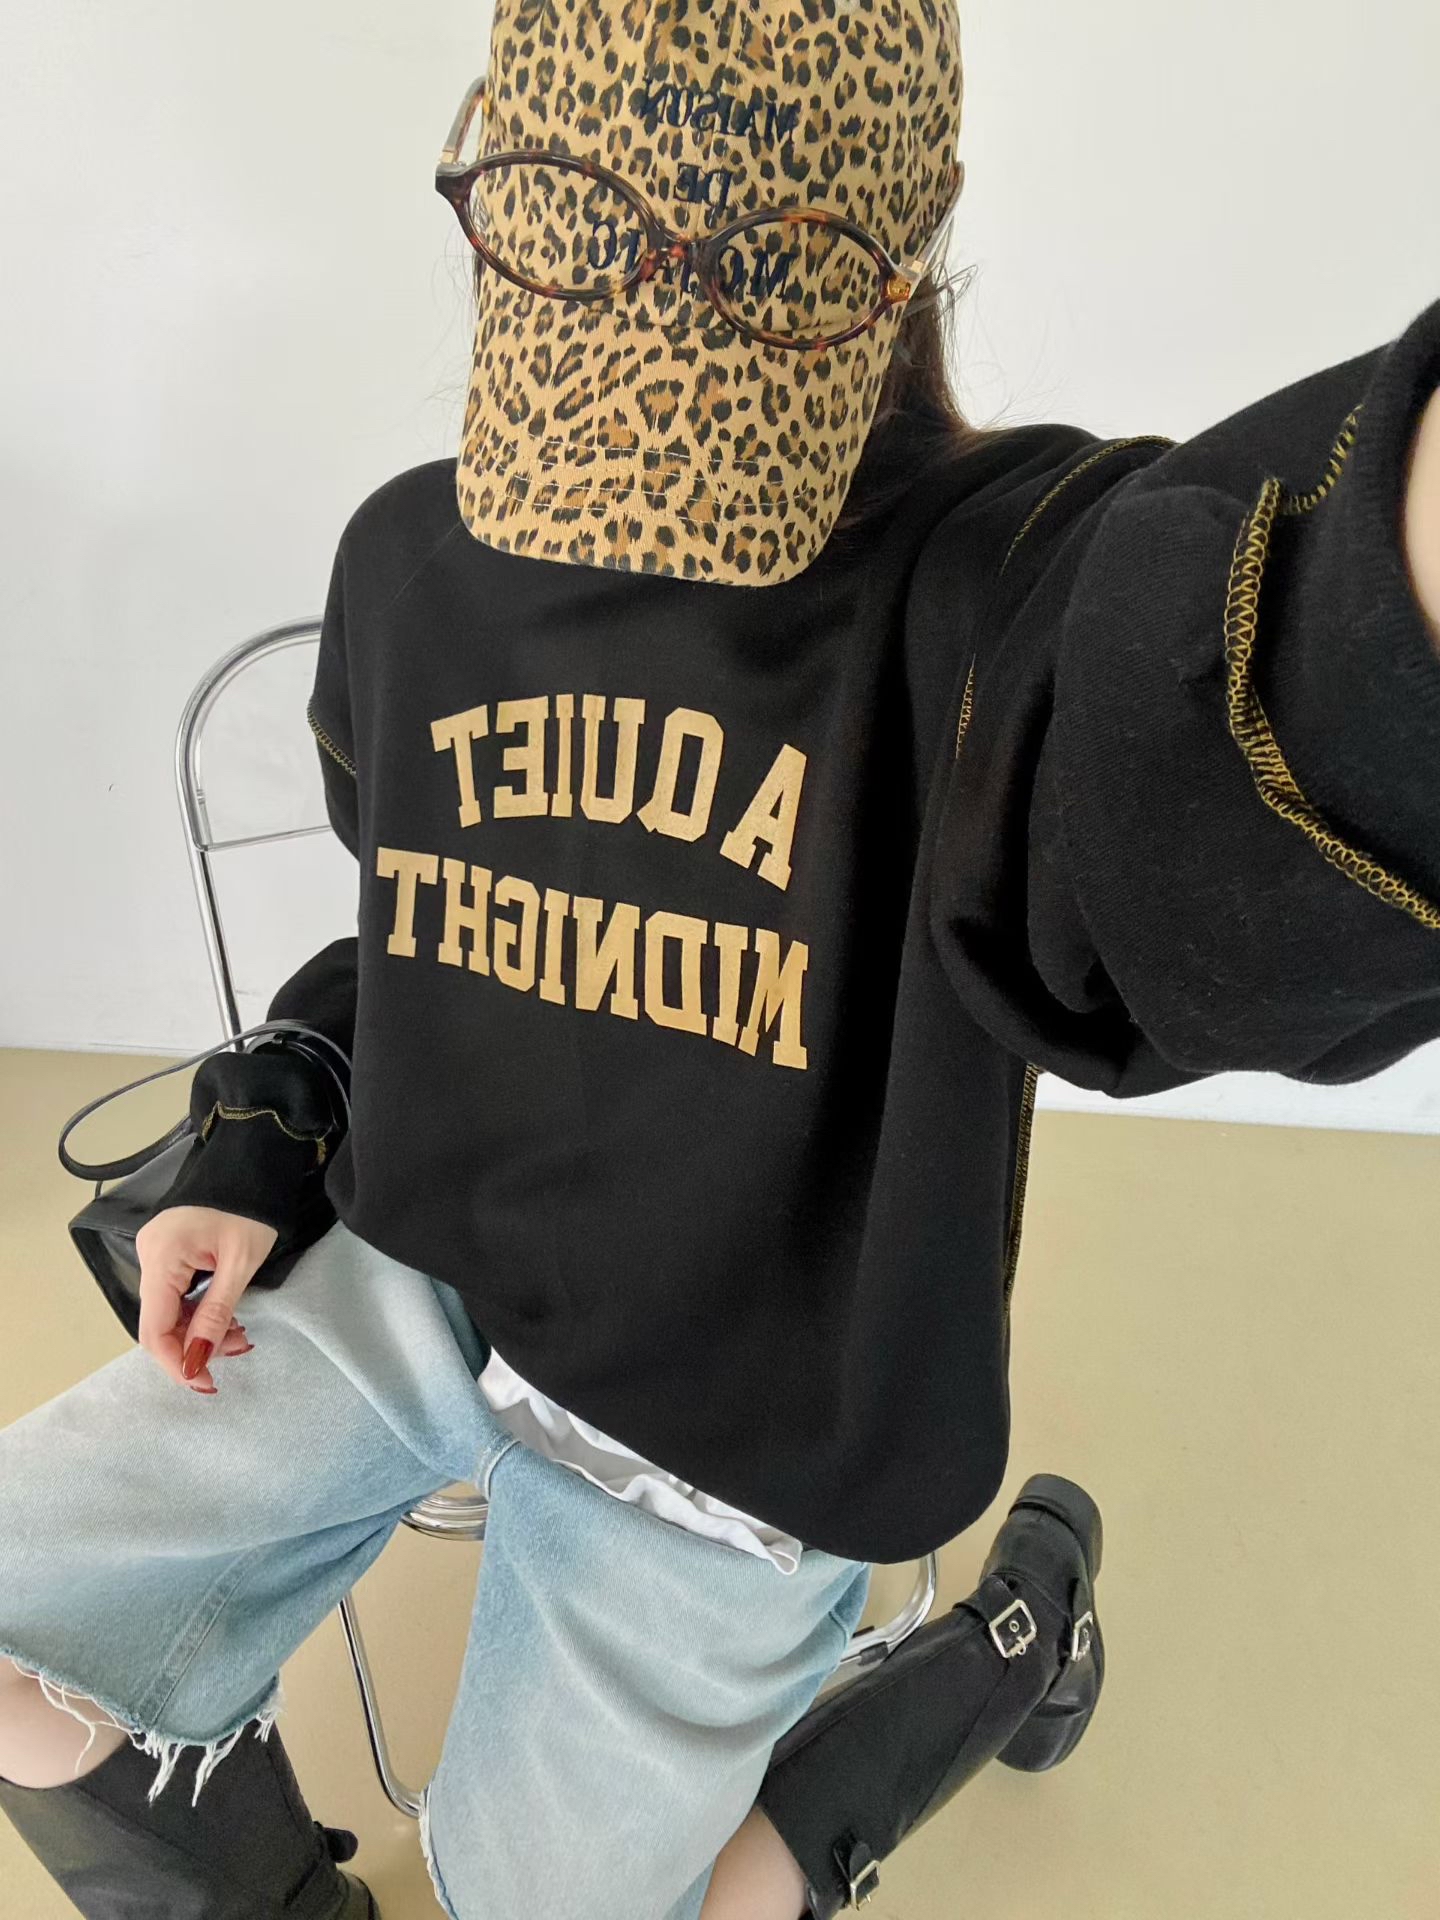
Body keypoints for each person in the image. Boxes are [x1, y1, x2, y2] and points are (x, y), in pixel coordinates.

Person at [3, 0, 1439, 1915]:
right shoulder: (416, 559)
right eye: (580, 241)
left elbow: (1254, 676)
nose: (639, 383)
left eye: (738, 274)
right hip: (428, 1283)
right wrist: (263, 1139)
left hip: (735, 1437)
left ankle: (1012, 1631)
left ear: (898, 253)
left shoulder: (984, 606)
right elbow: (428, 941)